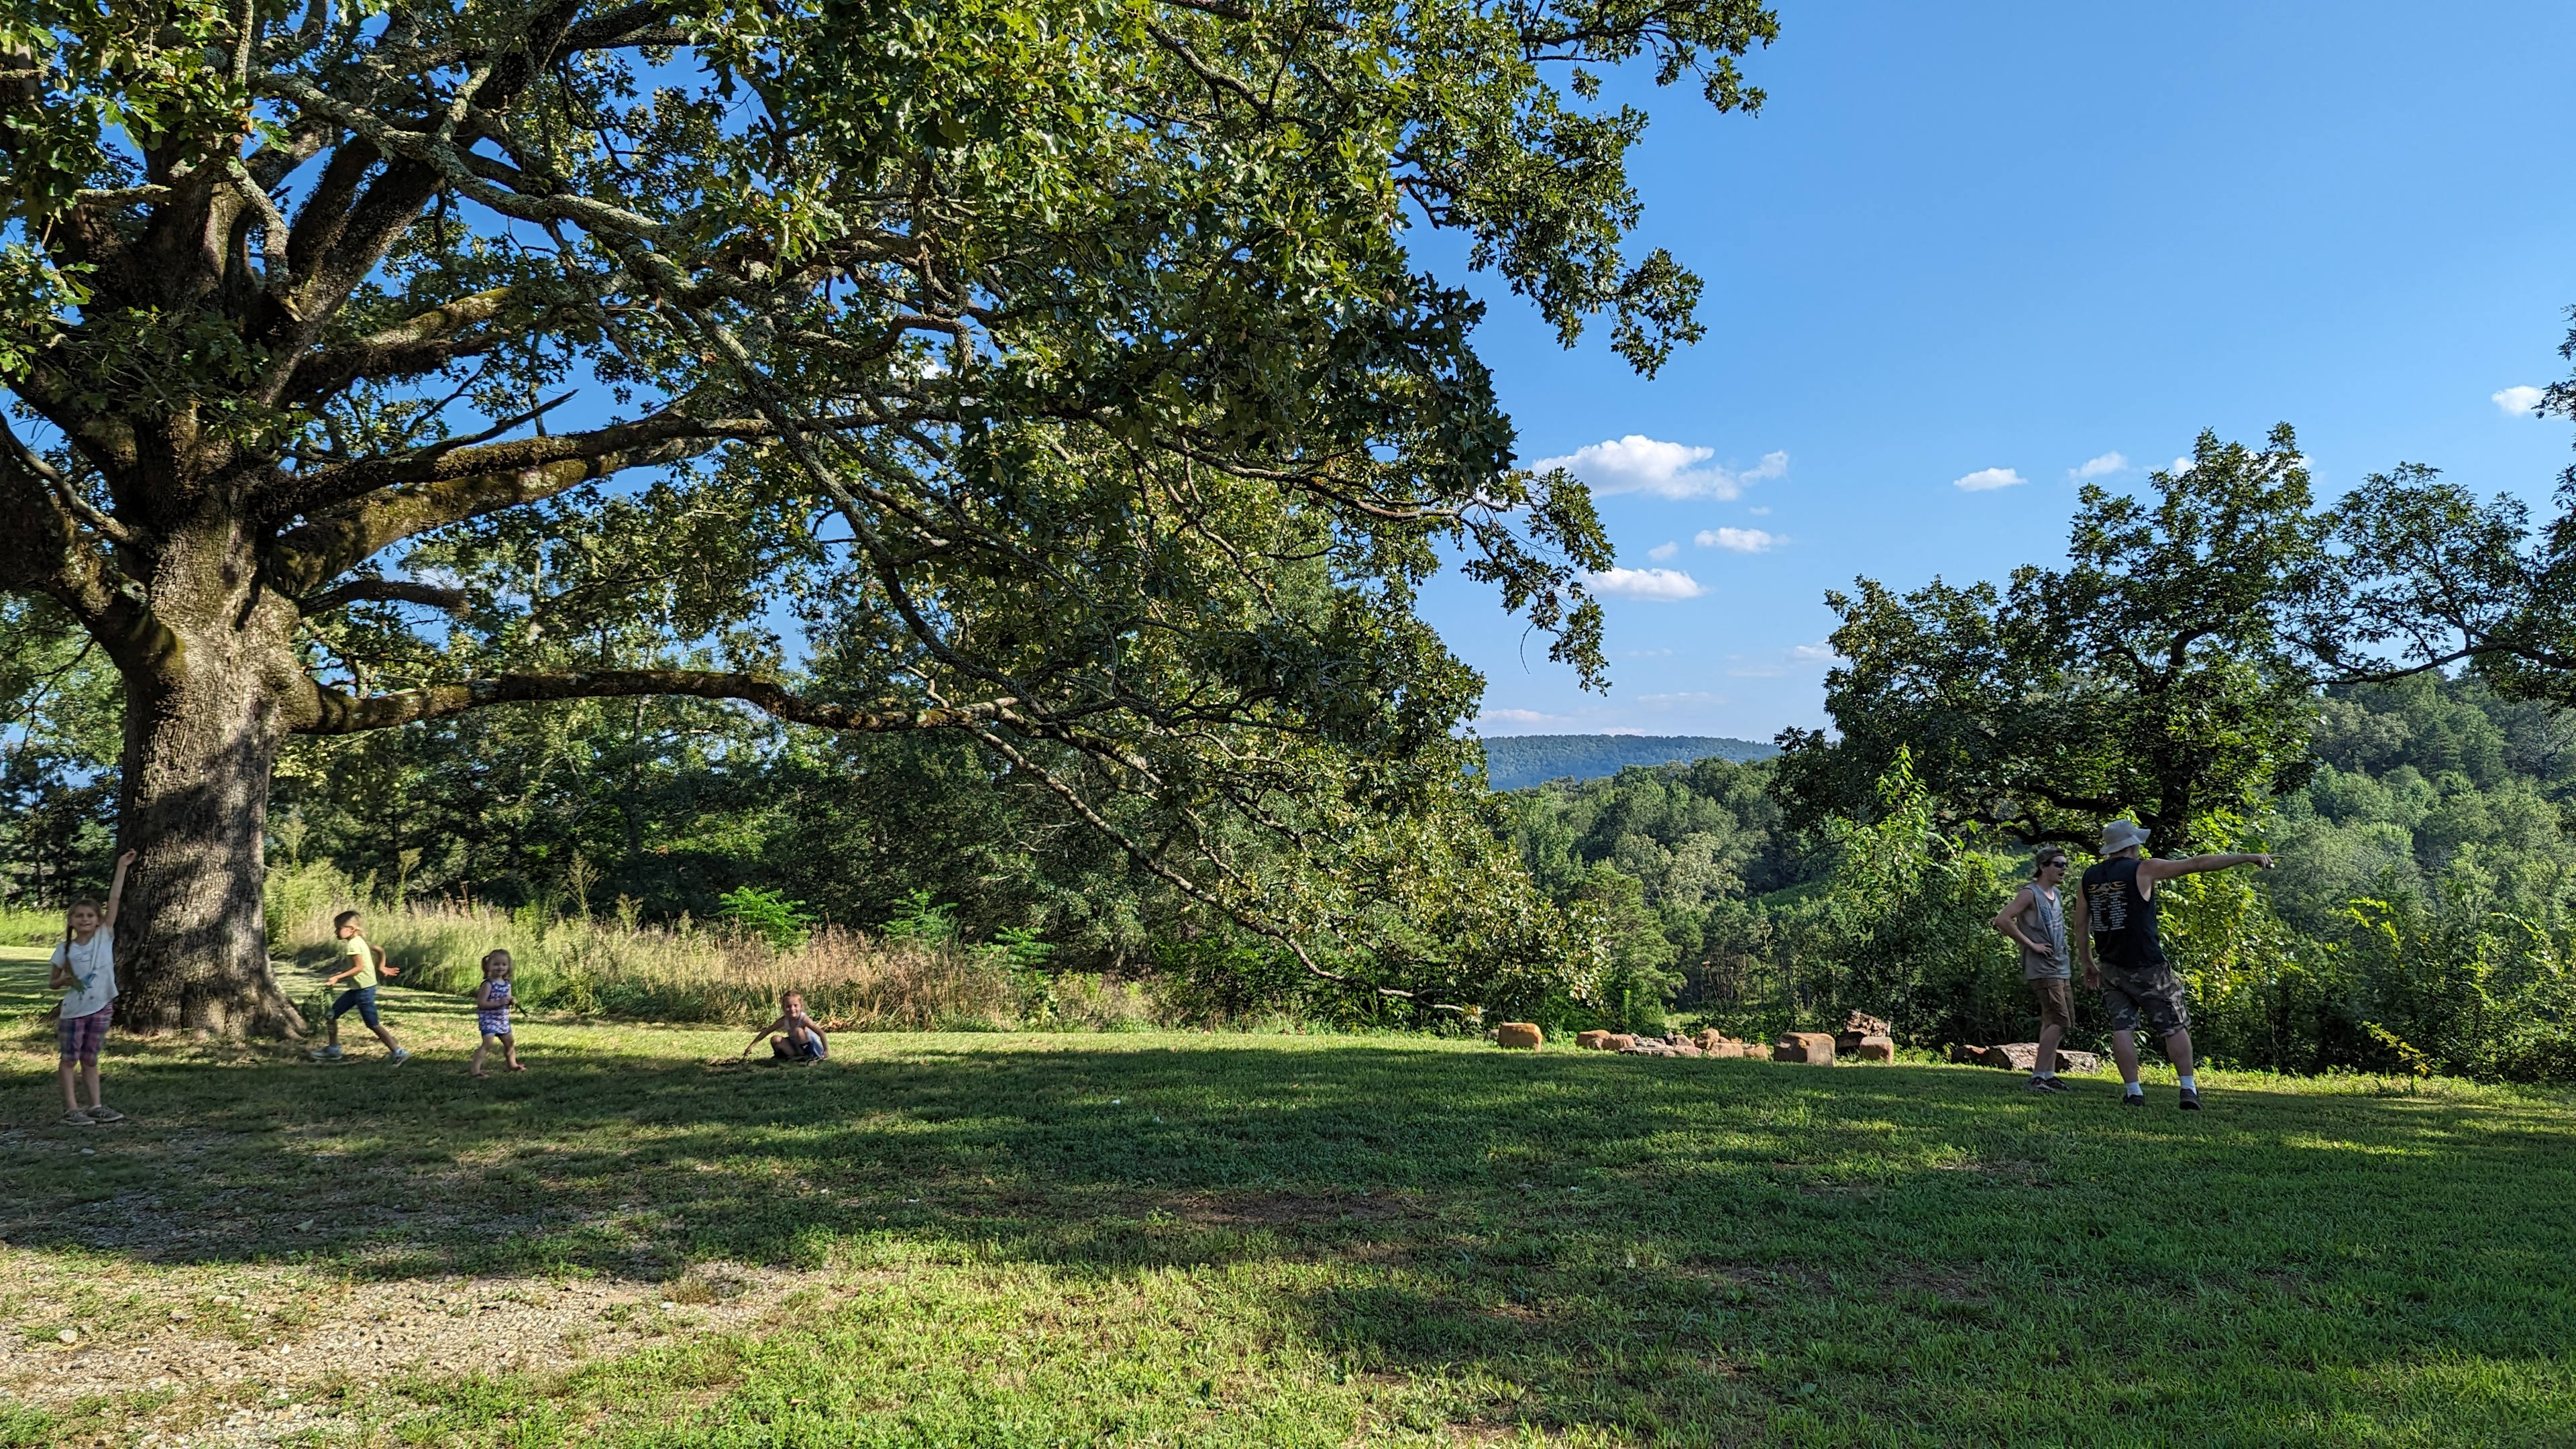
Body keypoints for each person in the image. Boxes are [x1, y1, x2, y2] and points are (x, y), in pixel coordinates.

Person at [2072, 820, 2275, 1110]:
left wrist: (2087, 963)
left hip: (2110, 965)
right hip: (2149, 965)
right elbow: (2199, 864)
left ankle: (2133, 1093)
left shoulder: (2089, 877)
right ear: (2131, 845)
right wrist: (2247, 857)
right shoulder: (2143, 868)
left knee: (2123, 1028)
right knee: (2174, 1026)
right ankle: (2188, 1089)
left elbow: (2080, 925)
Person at [50, 848, 138, 1126]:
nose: (85, 919)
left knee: (90, 1059)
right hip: (74, 1012)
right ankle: (72, 1110)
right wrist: (62, 981)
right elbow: (53, 983)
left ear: (99, 920)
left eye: (90, 915)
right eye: (79, 916)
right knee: (69, 1059)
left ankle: (96, 1106)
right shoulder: (64, 949)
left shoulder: (104, 936)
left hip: (101, 1008)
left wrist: (122, 867)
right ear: (71, 921)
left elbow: (114, 899)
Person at [1991, 847, 2074, 1094]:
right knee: (2061, 1021)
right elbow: (2002, 919)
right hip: (2042, 968)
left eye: (2065, 864)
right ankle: (2037, 1078)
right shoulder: (2030, 893)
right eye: (2059, 864)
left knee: (2052, 1020)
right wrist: (2031, 944)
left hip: (2060, 966)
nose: (2063, 869)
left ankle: (2048, 1075)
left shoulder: (2056, 894)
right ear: (2044, 866)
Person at [309, 910, 410, 1065]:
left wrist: (337, 977)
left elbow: (359, 968)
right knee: (331, 1014)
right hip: (357, 990)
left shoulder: (353, 945)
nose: (336, 931)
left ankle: (398, 1052)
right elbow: (380, 950)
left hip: (364, 991)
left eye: (338, 928)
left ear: (351, 929)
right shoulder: (360, 940)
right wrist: (381, 967)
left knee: (372, 1023)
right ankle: (333, 1049)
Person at [470, 949, 524, 1078]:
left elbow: (507, 999)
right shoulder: (488, 985)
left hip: (502, 1019)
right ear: (488, 966)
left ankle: (512, 1064)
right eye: (496, 964)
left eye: (504, 965)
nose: (500, 967)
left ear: (508, 967)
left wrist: (511, 1001)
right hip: (489, 1019)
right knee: (488, 1043)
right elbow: (481, 1004)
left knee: (510, 1042)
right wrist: (498, 1002)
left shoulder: (507, 985)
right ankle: (475, 1070)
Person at [742, 991, 828, 1063]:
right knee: (775, 1039)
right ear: (783, 1008)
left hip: (810, 1048)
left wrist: (826, 1050)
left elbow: (821, 1033)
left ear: (801, 1006)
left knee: (798, 1031)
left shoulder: (804, 1019)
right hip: (795, 1047)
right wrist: (751, 1046)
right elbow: (767, 1031)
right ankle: (789, 1057)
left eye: (795, 1006)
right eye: (788, 1006)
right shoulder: (784, 1020)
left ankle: (809, 1057)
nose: (792, 1009)